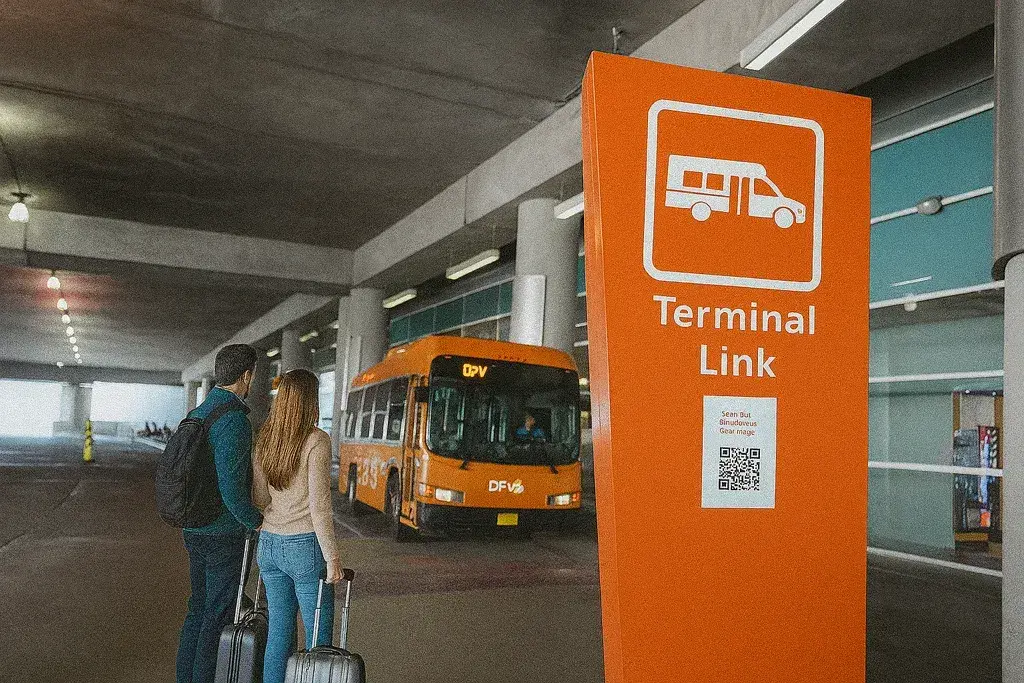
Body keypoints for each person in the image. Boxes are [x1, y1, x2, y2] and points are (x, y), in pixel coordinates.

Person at [175, 344, 264, 683]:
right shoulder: (234, 420)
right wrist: (256, 522)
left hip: (194, 527)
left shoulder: (199, 413)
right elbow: (231, 489)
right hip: (222, 534)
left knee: (198, 610)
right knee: (216, 616)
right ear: (247, 375)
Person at [252, 369, 341, 683]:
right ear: (310, 401)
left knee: (279, 631)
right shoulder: (316, 440)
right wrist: (332, 559)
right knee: (318, 638)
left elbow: (261, 499)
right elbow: (319, 506)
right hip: (303, 546)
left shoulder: (266, 439)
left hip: (270, 546)